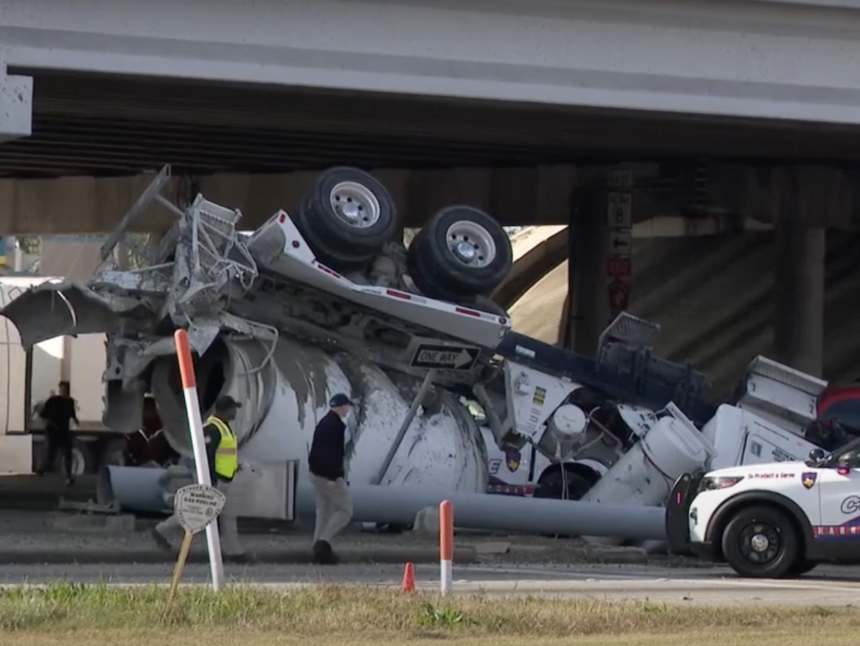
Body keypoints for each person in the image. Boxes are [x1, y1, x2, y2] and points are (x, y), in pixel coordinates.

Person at [151, 395, 252, 563]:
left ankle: (234, 552)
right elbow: (206, 456)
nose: (235, 412)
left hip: (224, 479)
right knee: (197, 512)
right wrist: (209, 480)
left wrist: (234, 467)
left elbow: (222, 454)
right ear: (225, 411)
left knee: (225, 516)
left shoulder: (223, 427)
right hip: (214, 481)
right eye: (233, 408)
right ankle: (161, 530)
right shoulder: (213, 428)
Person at [308, 393, 355, 565]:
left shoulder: (323, 422)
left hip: (315, 474)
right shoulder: (336, 426)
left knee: (324, 512)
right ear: (342, 406)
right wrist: (334, 476)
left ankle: (317, 551)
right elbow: (334, 454)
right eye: (347, 406)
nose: (347, 409)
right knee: (345, 510)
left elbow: (316, 451)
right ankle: (323, 543)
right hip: (328, 476)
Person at [36, 381, 79, 486]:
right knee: (50, 456)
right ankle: (42, 468)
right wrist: (49, 422)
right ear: (60, 390)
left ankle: (68, 477)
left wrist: (76, 421)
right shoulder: (53, 401)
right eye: (63, 389)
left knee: (68, 454)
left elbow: (72, 414)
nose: (64, 391)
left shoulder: (70, 402)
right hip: (53, 432)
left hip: (64, 432)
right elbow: (43, 414)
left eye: (66, 390)